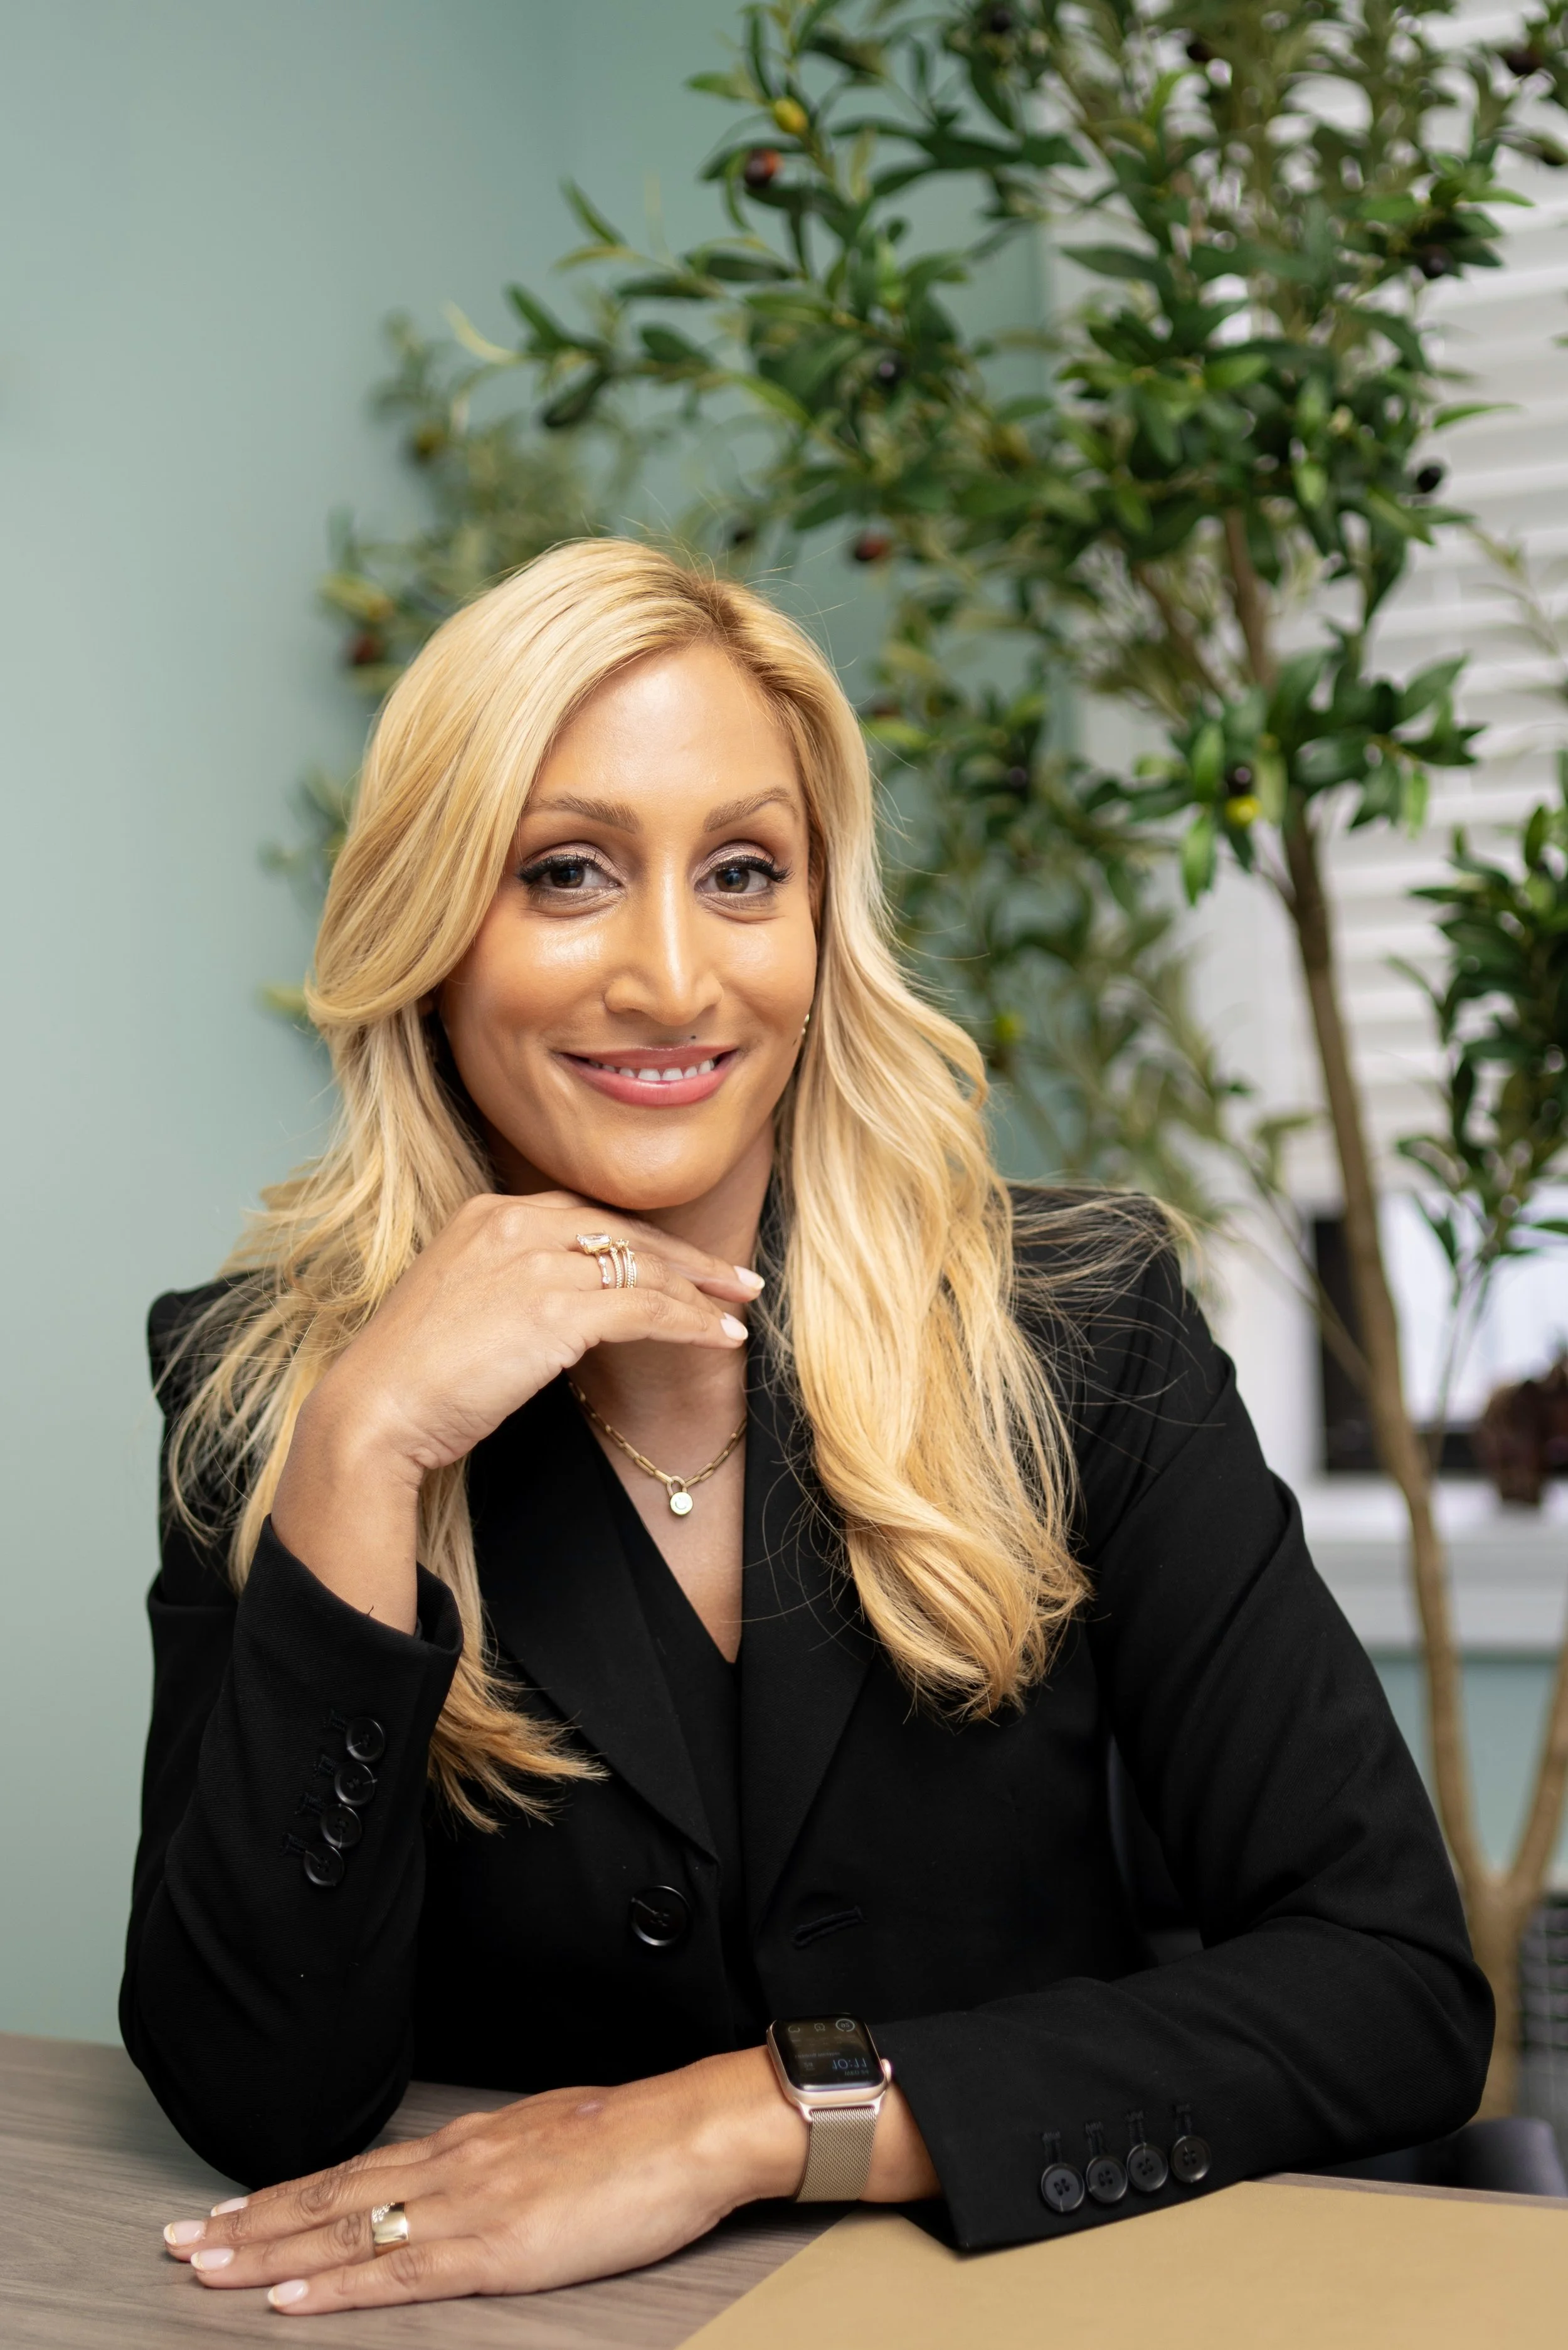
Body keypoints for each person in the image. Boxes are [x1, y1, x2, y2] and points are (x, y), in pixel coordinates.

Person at [129, 540, 1490, 2318]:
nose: (674, 978)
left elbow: (1389, 1986)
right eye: (566, 875)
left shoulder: (1078, 1329)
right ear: (429, 928)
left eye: (743, 872)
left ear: (820, 924)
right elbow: (260, 2096)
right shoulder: (270, 1391)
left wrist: (757, 2120)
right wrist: (365, 1442)